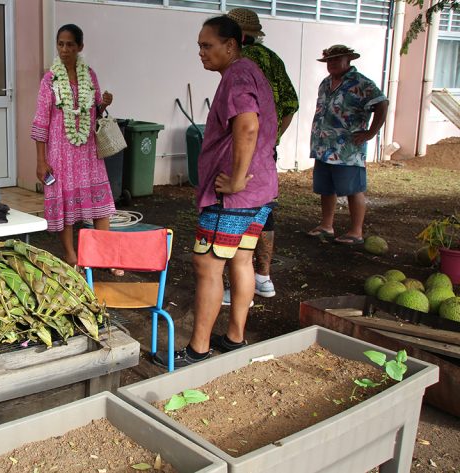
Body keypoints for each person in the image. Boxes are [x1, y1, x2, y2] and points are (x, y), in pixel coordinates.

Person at [159, 16, 277, 368]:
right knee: (241, 259)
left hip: (235, 196)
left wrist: (237, 178)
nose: (201, 52)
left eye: (207, 45)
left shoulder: (238, 76)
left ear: (231, 45)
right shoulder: (248, 71)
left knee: (207, 264)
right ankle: (234, 339)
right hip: (261, 191)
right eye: (199, 45)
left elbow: (248, 124)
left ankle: (197, 350)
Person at [31, 24, 121, 274]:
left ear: (80, 47)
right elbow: (41, 120)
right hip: (60, 152)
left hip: (88, 151)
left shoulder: (89, 75)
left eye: (70, 44)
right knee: (66, 205)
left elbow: (92, 111)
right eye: (60, 43)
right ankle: (70, 255)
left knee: (100, 202)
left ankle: (106, 255)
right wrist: (41, 160)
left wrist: (102, 104)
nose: (65, 49)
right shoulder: (50, 79)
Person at [222, 8, 299, 302]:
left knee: (237, 214)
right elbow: (291, 104)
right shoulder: (272, 58)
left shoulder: (241, 63)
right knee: (264, 213)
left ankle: (240, 286)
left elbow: (246, 122)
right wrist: (274, 137)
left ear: (236, 38)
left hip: (246, 150)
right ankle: (263, 277)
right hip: (266, 151)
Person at [307, 45, 388, 244]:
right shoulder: (326, 83)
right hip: (324, 146)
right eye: (329, 61)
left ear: (348, 60)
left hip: (347, 148)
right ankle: (326, 226)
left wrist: (371, 132)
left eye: (336, 60)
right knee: (325, 188)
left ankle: (356, 232)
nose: (331, 64)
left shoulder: (360, 83)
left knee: (353, 188)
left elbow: (382, 103)